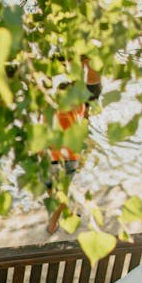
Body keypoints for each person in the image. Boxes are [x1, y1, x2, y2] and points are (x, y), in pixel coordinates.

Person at [46, 82, 86, 234]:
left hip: (53, 156)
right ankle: (68, 214)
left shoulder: (50, 110)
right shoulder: (78, 107)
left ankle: (52, 223)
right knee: (60, 190)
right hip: (70, 157)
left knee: (53, 190)